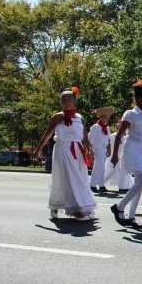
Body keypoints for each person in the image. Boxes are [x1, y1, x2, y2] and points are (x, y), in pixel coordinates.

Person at [32, 87, 97, 221]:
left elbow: (84, 136)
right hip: (63, 149)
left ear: (74, 101)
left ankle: (63, 205)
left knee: (81, 179)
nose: (67, 101)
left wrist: (89, 150)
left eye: (69, 98)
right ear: (60, 102)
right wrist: (38, 150)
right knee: (70, 178)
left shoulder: (80, 118)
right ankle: (77, 210)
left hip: (78, 150)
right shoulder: (58, 117)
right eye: (63, 99)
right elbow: (48, 134)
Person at [109, 80, 142, 230]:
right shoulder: (132, 113)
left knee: (139, 185)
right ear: (140, 99)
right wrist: (114, 155)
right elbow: (119, 135)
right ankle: (119, 207)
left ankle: (131, 217)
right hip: (131, 150)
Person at [88, 107, 114, 193]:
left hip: (103, 149)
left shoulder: (107, 128)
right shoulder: (95, 127)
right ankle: (100, 185)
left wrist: (109, 149)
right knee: (100, 168)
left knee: (98, 167)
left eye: (108, 118)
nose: (107, 119)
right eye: (105, 117)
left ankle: (92, 184)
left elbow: (109, 139)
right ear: (101, 117)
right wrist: (90, 151)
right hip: (97, 148)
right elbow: (90, 139)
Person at [104, 120, 134, 193]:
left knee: (123, 172)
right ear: (116, 128)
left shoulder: (125, 138)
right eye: (118, 127)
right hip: (112, 156)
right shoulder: (112, 136)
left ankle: (124, 185)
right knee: (108, 171)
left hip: (121, 157)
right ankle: (100, 182)